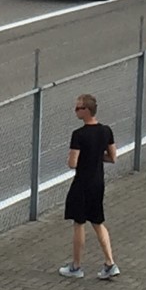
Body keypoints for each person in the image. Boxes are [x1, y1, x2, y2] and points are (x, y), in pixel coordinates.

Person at [60, 94, 120, 280]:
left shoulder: (78, 135)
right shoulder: (106, 131)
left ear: (86, 110)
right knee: (97, 222)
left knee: (79, 223)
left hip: (82, 183)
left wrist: (82, 157)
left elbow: (73, 163)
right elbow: (112, 157)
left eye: (78, 108)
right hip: (98, 182)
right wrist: (96, 156)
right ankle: (110, 262)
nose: (75, 111)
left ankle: (76, 266)